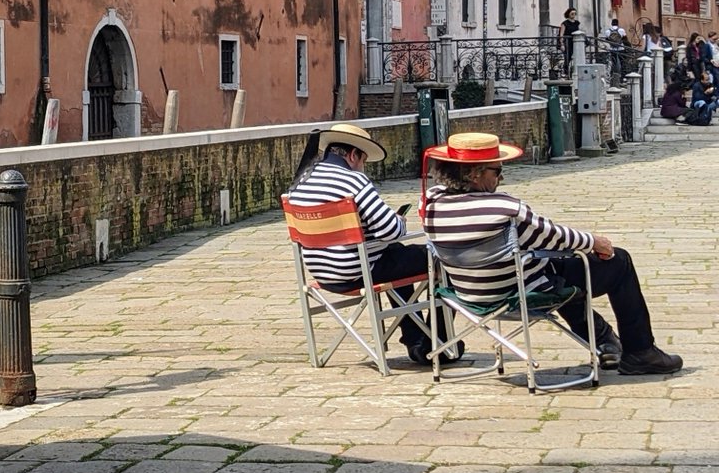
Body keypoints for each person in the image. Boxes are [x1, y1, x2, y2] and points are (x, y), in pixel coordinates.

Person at [421, 132, 683, 376]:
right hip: (515, 292)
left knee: (559, 269)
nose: (501, 178)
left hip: (467, 293)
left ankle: (605, 341)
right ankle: (640, 351)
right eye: (497, 171)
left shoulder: (430, 201)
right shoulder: (503, 206)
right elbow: (553, 236)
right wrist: (595, 241)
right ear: (474, 174)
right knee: (617, 260)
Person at [288, 122, 451, 366]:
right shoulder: (354, 181)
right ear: (354, 155)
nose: (363, 168)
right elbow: (390, 230)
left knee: (396, 254)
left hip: (323, 272)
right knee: (444, 259)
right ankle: (439, 340)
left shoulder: (300, 184)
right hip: (357, 270)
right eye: (363, 160)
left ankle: (416, 337)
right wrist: (400, 221)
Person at [558, 8, 580, 75]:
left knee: (577, 57)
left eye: (575, 14)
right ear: (568, 14)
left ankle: (575, 71)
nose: (573, 15)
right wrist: (562, 44)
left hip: (575, 41)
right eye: (572, 14)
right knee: (567, 57)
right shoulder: (565, 23)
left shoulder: (577, 23)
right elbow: (561, 34)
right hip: (567, 42)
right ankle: (566, 72)